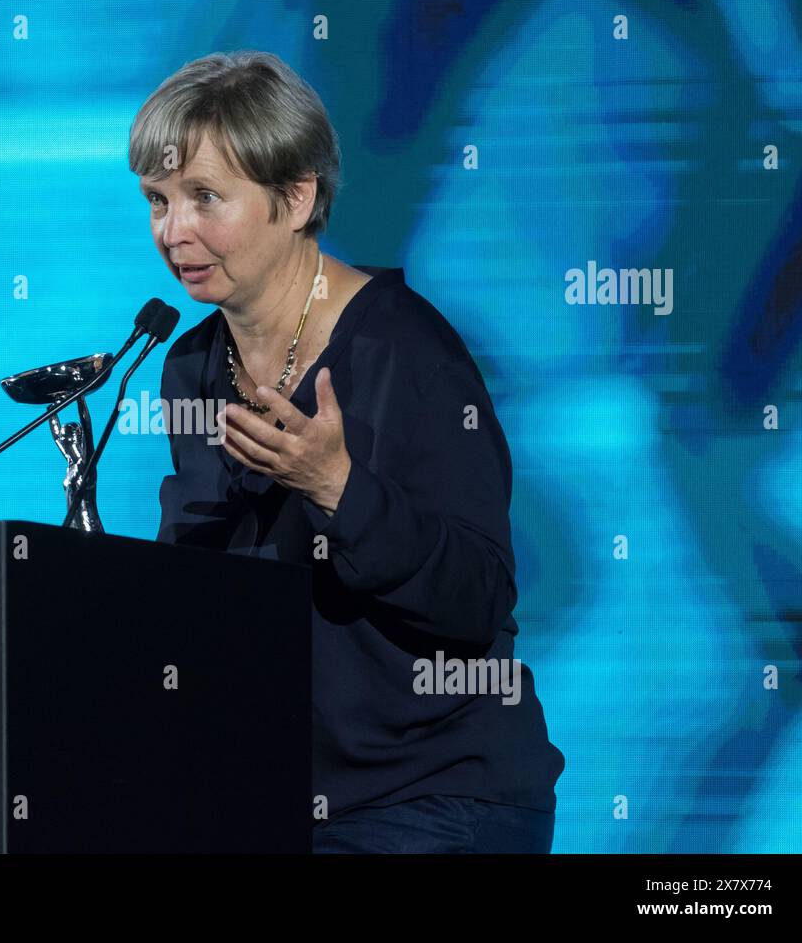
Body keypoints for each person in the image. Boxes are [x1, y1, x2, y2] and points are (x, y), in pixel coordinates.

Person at [130, 50, 565, 853]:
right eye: (158, 200)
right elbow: (199, 582)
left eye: (204, 198)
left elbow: (477, 596)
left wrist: (337, 487)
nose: (172, 231)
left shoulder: (406, 351)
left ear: (295, 198)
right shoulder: (190, 365)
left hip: (434, 797)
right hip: (281, 795)